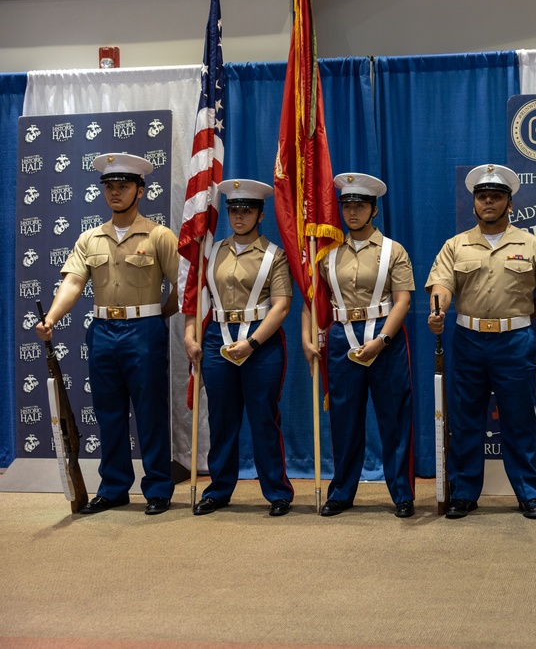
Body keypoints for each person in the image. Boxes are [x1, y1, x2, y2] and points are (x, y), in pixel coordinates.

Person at [36, 152, 178, 515]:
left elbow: (185, 286)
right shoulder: (90, 239)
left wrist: (160, 314)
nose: (115, 192)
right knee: (108, 413)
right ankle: (114, 486)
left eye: (123, 186)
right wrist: (51, 317)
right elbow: (73, 282)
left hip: (143, 330)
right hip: (102, 331)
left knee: (150, 412)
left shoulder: (160, 236)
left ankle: (158, 487)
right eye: (109, 186)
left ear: (140, 190)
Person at [426, 164, 536, 520]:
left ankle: (529, 493)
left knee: (518, 419)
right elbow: (441, 284)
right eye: (482, 196)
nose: (488, 201)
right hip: (469, 340)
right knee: (466, 419)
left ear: (509, 203)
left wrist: (521, 317)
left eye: (496, 196)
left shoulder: (531, 244)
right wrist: (438, 307)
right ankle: (464, 493)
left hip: (514, 341)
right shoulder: (455, 245)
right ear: (474, 203)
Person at [302, 172, 416, 518]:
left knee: (394, 418)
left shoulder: (394, 251)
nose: (352, 213)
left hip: (386, 337)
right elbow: (313, 299)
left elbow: (403, 301)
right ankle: (342, 492)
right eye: (346, 206)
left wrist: (382, 340)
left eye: (360, 206)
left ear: (374, 209)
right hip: (341, 340)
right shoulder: (326, 254)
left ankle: (402, 493)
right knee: (344, 419)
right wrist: (308, 337)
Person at [184, 179, 295, 517]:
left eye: (247, 210)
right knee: (221, 419)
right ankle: (218, 490)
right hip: (218, 338)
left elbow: (281, 306)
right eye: (233, 209)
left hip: (260, 342)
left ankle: (277, 491)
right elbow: (195, 298)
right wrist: (190, 334)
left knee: (263, 417)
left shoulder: (274, 255)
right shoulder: (210, 251)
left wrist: (252, 342)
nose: (239, 215)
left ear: (261, 214)